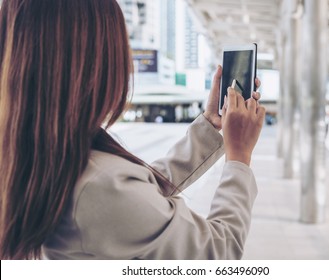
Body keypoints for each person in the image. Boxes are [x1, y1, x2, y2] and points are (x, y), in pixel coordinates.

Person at [0, 0, 266, 260]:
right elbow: (219, 251)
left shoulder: (31, 158)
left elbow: (136, 196)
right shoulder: (99, 186)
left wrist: (209, 125)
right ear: (95, 61)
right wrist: (239, 156)